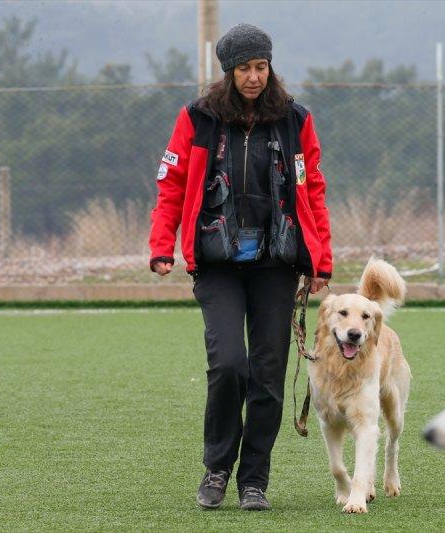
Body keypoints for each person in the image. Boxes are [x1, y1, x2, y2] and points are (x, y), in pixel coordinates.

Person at [148, 23, 332, 511]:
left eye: (261, 66)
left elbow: (312, 190)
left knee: (268, 375)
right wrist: (162, 245)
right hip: (217, 265)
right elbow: (171, 186)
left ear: (270, 68)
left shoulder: (295, 119)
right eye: (244, 68)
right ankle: (216, 469)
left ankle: (255, 481)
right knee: (229, 364)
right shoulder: (198, 118)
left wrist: (321, 260)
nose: (253, 77)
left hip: (277, 263)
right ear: (227, 71)